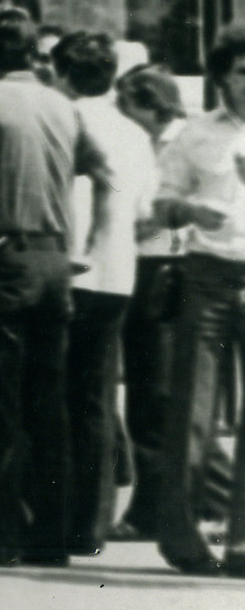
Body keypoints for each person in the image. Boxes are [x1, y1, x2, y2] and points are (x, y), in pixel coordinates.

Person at [0, 3, 114, 569]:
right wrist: (86, 245)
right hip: (55, 258)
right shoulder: (62, 106)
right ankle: (51, 533)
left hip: (5, 253)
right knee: (48, 403)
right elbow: (105, 177)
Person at [144, 23, 245, 576]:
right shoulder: (197, 135)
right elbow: (161, 204)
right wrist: (191, 213)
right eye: (242, 72)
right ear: (224, 77)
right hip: (208, 273)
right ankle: (181, 538)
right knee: (194, 412)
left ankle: (242, 543)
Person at [55, 30, 154, 557]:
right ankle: (90, 525)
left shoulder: (70, 122)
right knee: (95, 398)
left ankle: (62, 514)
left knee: (60, 397)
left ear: (63, 73)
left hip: (75, 270)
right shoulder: (133, 132)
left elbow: (75, 197)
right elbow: (142, 209)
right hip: (119, 273)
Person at [113, 65, 188, 540]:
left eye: (127, 106)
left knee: (155, 392)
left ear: (148, 103)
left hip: (167, 269)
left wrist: (143, 224)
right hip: (148, 267)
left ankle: (153, 508)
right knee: (149, 391)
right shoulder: (148, 141)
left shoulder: (179, 142)